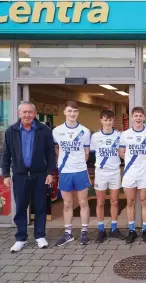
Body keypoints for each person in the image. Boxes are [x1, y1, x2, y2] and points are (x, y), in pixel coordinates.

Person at [2, 101, 56, 252]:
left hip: (40, 175)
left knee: (40, 206)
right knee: (20, 207)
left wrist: (51, 173)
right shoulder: (11, 131)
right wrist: (6, 174)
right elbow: (5, 154)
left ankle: (40, 236)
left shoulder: (43, 130)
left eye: (30, 112)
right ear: (19, 114)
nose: (27, 115)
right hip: (20, 176)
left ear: (35, 114)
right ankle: (21, 238)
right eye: (24, 112)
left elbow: (50, 154)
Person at [53, 101, 92, 246]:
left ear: (78, 113)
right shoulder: (56, 131)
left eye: (75, 111)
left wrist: (79, 163)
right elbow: (57, 149)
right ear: (64, 112)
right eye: (69, 111)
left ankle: (84, 232)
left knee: (83, 202)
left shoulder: (85, 131)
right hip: (65, 172)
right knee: (67, 203)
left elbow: (87, 152)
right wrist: (62, 163)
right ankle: (68, 233)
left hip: (80, 171)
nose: (72, 114)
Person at [119, 107, 146, 243]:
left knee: (145, 202)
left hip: (144, 174)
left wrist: (143, 162)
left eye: (140, 116)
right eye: (136, 116)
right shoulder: (125, 134)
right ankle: (131, 230)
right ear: (132, 117)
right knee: (130, 202)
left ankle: (145, 230)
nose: (138, 118)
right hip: (129, 174)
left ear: (144, 117)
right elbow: (121, 152)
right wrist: (131, 163)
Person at [90, 110, 126, 243]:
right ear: (101, 120)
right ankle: (101, 230)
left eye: (110, 120)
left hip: (115, 171)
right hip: (101, 172)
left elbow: (123, 152)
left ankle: (114, 228)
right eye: (105, 120)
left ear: (113, 121)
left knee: (115, 201)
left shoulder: (119, 136)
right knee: (100, 202)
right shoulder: (95, 137)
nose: (108, 122)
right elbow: (92, 154)